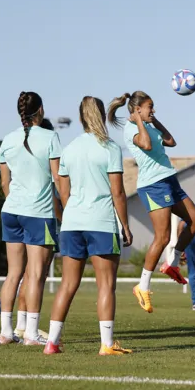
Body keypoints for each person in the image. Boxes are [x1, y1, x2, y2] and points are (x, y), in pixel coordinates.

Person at [45, 96, 134, 355]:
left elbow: (63, 192)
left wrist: (72, 214)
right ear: (99, 114)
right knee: (106, 285)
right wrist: (125, 225)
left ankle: (52, 343)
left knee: (67, 285)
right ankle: (107, 345)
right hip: (102, 224)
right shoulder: (110, 148)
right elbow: (118, 192)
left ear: (81, 117)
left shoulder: (69, 149)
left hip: (72, 224)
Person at [109, 91, 195, 314]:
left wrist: (153, 121)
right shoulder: (131, 129)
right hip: (153, 185)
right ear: (137, 109)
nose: (153, 110)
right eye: (150, 107)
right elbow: (146, 146)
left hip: (169, 179)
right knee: (162, 237)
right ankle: (142, 286)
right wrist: (140, 120)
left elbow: (171, 141)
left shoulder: (150, 124)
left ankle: (171, 263)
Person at [0, 92, 61, 346]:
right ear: (41, 110)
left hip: (10, 211)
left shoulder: (7, 140)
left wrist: (17, 202)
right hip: (39, 213)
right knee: (34, 274)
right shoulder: (51, 137)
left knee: (13, 274)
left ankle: (5, 333)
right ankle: (31, 334)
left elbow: (4, 182)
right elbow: (58, 179)